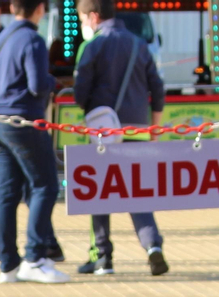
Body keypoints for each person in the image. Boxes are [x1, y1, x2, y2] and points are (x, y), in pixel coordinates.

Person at [71, 0, 167, 277]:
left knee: (100, 191)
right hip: (137, 128)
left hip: (104, 132)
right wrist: (154, 130)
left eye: (82, 19)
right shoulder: (140, 44)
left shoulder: (91, 47)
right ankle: (152, 246)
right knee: (136, 189)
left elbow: (80, 93)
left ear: (93, 17)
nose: (82, 25)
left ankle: (102, 256)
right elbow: (157, 90)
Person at [0, 0, 68, 284]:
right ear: (40, 9)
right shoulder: (32, 39)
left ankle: (8, 264)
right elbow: (36, 84)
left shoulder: (1, 38)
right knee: (45, 185)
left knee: (7, 192)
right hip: (24, 120)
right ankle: (35, 257)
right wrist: (53, 82)